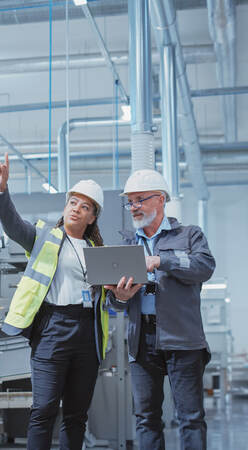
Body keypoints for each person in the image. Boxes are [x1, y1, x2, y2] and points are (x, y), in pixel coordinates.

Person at [0, 153, 110, 450]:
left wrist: (120, 293)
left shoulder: (99, 250)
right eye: (73, 203)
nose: (77, 209)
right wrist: (2, 191)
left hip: (87, 334)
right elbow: (13, 226)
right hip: (52, 330)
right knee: (43, 409)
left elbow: (110, 300)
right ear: (66, 205)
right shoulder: (45, 237)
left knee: (76, 415)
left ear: (92, 217)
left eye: (85, 207)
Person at [105, 169, 215, 450]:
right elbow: (113, 304)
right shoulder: (127, 245)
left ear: (161, 199)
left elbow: (204, 267)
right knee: (146, 418)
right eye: (130, 202)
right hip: (141, 341)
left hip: (183, 340)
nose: (134, 207)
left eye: (140, 199)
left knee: (190, 417)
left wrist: (160, 261)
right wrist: (119, 296)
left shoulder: (189, 235)